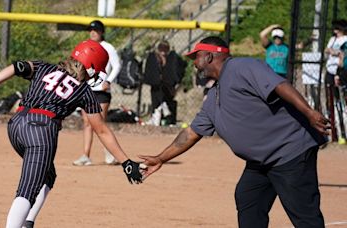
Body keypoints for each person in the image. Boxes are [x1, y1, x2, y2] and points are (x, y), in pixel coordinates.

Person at [139, 36, 329, 228]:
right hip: (261, 161)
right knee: (248, 198)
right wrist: (161, 158)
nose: (194, 64)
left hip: (289, 153)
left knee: (304, 215)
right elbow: (190, 134)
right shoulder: (214, 95)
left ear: (210, 56)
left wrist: (309, 112)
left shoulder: (243, 67)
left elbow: (279, 85)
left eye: (196, 58)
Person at [0, 39, 143, 228]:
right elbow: (101, 130)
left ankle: (27, 222)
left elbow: (18, 66)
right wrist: (126, 162)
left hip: (16, 124)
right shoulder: (85, 91)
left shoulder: (44, 67)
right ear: (91, 68)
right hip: (41, 130)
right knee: (27, 190)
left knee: (48, 175)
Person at [73, 20, 122, 166]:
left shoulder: (108, 47)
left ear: (102, 32)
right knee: (87, 123)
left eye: (96, 30)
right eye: (91, 30)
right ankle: (85, 155)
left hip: (101, 90)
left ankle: (110, 154)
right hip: (86, 89)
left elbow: (117, 65)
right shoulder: (86, 46)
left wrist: (109, 81)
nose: (93, 32)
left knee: (99, 124)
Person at [144, 40, 187, 125]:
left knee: (167, 97)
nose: (163, 52)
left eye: (165, 49)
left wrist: (174, 86)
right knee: (157, 93)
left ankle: (167, 116)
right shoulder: (154, 57)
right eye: (161, 49)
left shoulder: (172, 58)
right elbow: (151, 73)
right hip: (157, 86)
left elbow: (176, 73)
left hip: (168, 86)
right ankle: (157, 114)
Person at [324, 19, 347, 142]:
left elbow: (343, 54)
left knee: (340, 100)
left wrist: (337, 53)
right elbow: (327, 50)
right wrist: (334, 52)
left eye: (337, 29)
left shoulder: (345, 40)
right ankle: (333, 132)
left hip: (340, 72)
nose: (335, 31)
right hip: (329, 71)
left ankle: (343, 132)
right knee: (330, 100)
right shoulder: (332, 39)